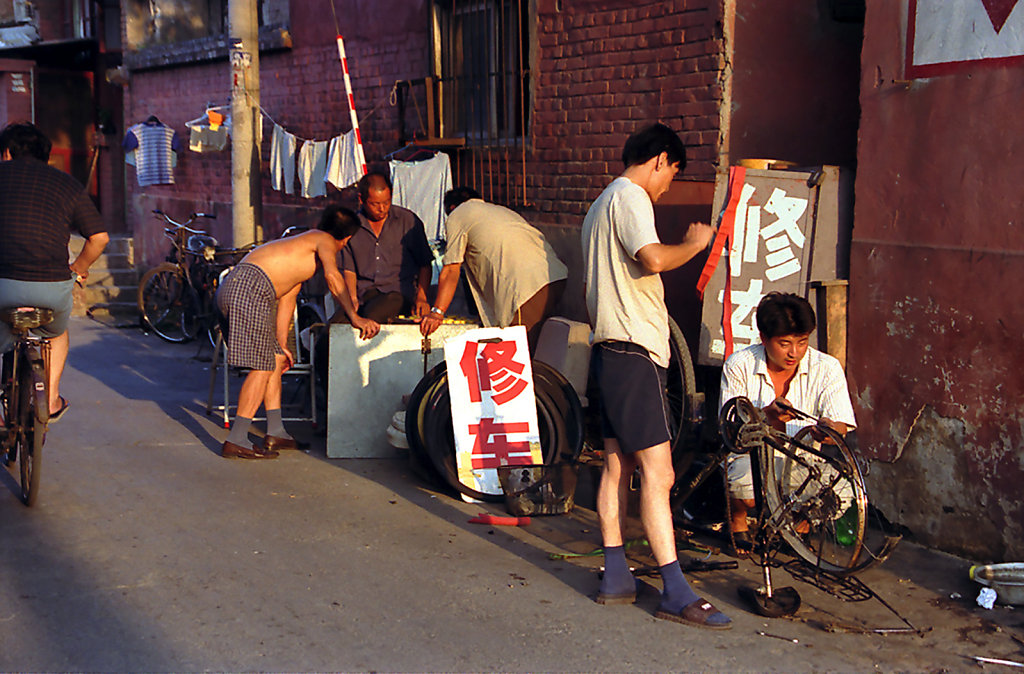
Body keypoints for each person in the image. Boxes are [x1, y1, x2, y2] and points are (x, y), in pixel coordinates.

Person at [581, 122, 730, 629]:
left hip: (607, 350)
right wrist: (695, 243)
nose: (669, 186)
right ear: (661, 159)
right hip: (633, 352)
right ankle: (674, 589)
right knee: (659, 473)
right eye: (673, 174)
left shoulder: (599, 206)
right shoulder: (630, 198)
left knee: (617, 466)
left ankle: (618, 575)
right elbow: (653, 258)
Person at [217, 206, 380, 459]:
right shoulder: (323, 239)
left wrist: (283, 345)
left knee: (273, 360)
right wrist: (354, 316)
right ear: (346, 239)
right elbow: (334, 278)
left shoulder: (301, 249)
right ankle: (236, 439)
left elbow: (287, 300)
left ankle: (276, 432)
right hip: (249, 289)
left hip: (242, 287)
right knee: (261, 368)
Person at [719, 292, 857, 547]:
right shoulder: (739, 365)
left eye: (802, 342)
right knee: (747, 490)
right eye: (784, 344)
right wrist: (767, 415)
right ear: (764, 338)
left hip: (802, 458)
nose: (794, 353)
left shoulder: (827, 367)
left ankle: (796, 528)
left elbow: (841, 425)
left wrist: (828, 430)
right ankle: (737, 520)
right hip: (751, 456)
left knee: (842, 493)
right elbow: (731, 430)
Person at [0, 122, 110, 423]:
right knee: (55, 334)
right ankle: (49, 400)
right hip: (50, 287)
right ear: (45, 155)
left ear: (7, 152)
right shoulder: (66, 184)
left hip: (2, 285)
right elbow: (99, 238)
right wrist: (79, 269)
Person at [418, 187, 568, 348]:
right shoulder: (498, 211)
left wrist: (437, 313)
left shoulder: (458, 215)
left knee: (514, 351)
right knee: (536, 349)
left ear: (452, 208)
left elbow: (450, 270)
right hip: (555, 277)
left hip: (526, 289)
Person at [338, 171, 433, 322]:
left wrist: (421, 297)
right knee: (335, 327)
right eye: (375, 204)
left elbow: (425, 263)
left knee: (373, 315)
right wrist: (352, 298)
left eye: (386, 202)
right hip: (364, 296)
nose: (382, 209)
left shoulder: (407, 221)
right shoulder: (351, 226)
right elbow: (349, 269)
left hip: (398, 296)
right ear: (361, 200)